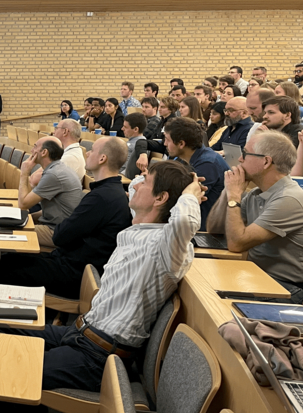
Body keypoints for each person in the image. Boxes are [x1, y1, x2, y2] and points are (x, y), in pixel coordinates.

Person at [13, 161, 204, 393]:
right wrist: (164, 183)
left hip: (98, 356)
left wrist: (190, 193)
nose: (134, 186)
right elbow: (135, 186)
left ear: (160, 198)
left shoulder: (165, 247)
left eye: (145, 182)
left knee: (8, 367)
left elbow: (184, 221)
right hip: (80, 333)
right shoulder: (142, 226)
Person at [0, 137, 133, 298]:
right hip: (71, 261)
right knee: (9, 259)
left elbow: (60, 236)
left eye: (92, 150)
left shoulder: (101, 197)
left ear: (102, 158)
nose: (87, 153)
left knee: (4, 268)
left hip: (74, 274)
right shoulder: (109, 192)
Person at [207, 131, 303, 303]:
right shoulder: (257, 193)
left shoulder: (289, 199)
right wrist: (228, 191)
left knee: (213, 299)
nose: (240, 159)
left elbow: (236, 244)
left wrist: (234, 196)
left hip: (290, 288)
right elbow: (215, 229)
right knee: (205, 283)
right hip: (260, 276)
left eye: (245, 154)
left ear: (266, 161)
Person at [17, 137, 83, 251]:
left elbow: (23, 204)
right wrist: (30, 217)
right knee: (20, 220)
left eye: (35, 146)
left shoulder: (54, 174)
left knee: (12, 230)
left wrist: (24, 173)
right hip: (60, 225)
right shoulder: (57, 169)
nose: (32, 150)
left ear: (44, 152)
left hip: (58, 231)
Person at [164, 117, 228, 224]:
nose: (165, 143)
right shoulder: (183, 158)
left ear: (181, 144)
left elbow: (181, 199)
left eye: (167, 139)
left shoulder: (208, 164)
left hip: (203, 227)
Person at [120, 113, 148, 179]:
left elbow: (128, 170)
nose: (122, 129)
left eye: (125, 127)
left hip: (122, 178)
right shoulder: (131, 142)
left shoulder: (138, 146)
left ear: (135, 129)